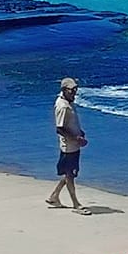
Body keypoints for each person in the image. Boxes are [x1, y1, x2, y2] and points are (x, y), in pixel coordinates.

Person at [45, 77, 89, 213]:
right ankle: (76, 204)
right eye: (71, 90)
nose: (74, 92)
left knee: (70, 173)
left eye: (75, 89)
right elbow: (60, 128)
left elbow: (70, 123)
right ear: (64, 90)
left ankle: (54, 196)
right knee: (70, 174)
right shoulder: (62, 106)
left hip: (74, 144)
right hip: (68, 146)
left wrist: (80, 132)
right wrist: (76, 138)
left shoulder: (69, 102)